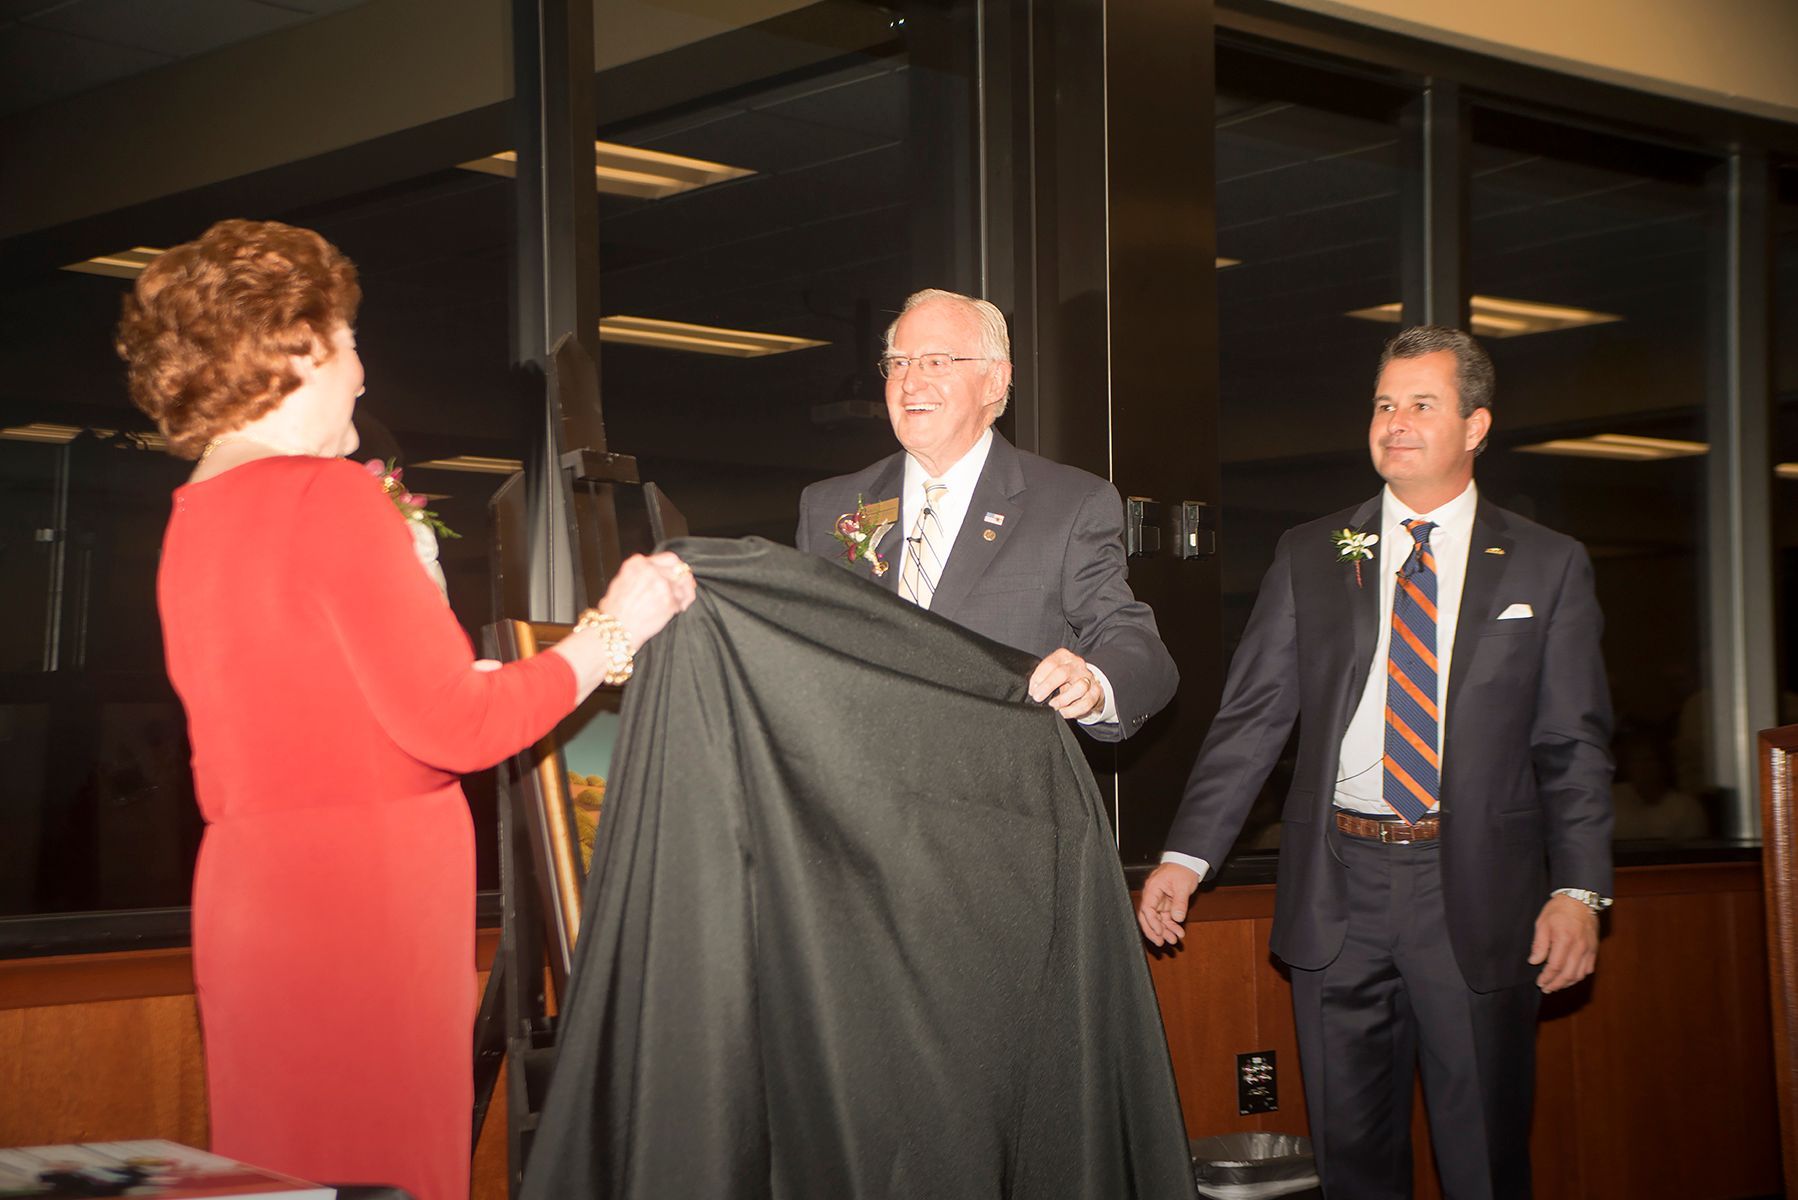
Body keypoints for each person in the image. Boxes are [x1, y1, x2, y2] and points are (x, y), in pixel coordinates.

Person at [114, 218, 695, 1200]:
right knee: (379, 1175)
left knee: (280, 1178)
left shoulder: (193, 517)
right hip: (363, 911)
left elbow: (331, 720)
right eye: (344, 342)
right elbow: (456, 731)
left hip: (251, 899)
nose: (361, 372)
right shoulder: (330, 500)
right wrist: (613, 630)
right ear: (289, 351)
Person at [1137, 326, 1614, 1199]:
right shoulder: (1313, 553)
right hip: (1336, 890)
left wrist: (1579, 890)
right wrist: (1184, 855)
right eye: (1384, 404)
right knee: (1352, 1165)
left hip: (1473, 891)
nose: (1395, 422)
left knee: (1483, 1162)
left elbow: (1573, 746)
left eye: (1421, 404)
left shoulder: (1547, 565)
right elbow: (1252, 718)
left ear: (1475, 426)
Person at [795, 288, 1176, 738]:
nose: (910, 382)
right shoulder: (829, 507)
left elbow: (1137, 646)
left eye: (936, 362)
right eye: (899, 363)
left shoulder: (1068, 505)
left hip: (995, 798)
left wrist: (1095, 685)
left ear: (995, 381)